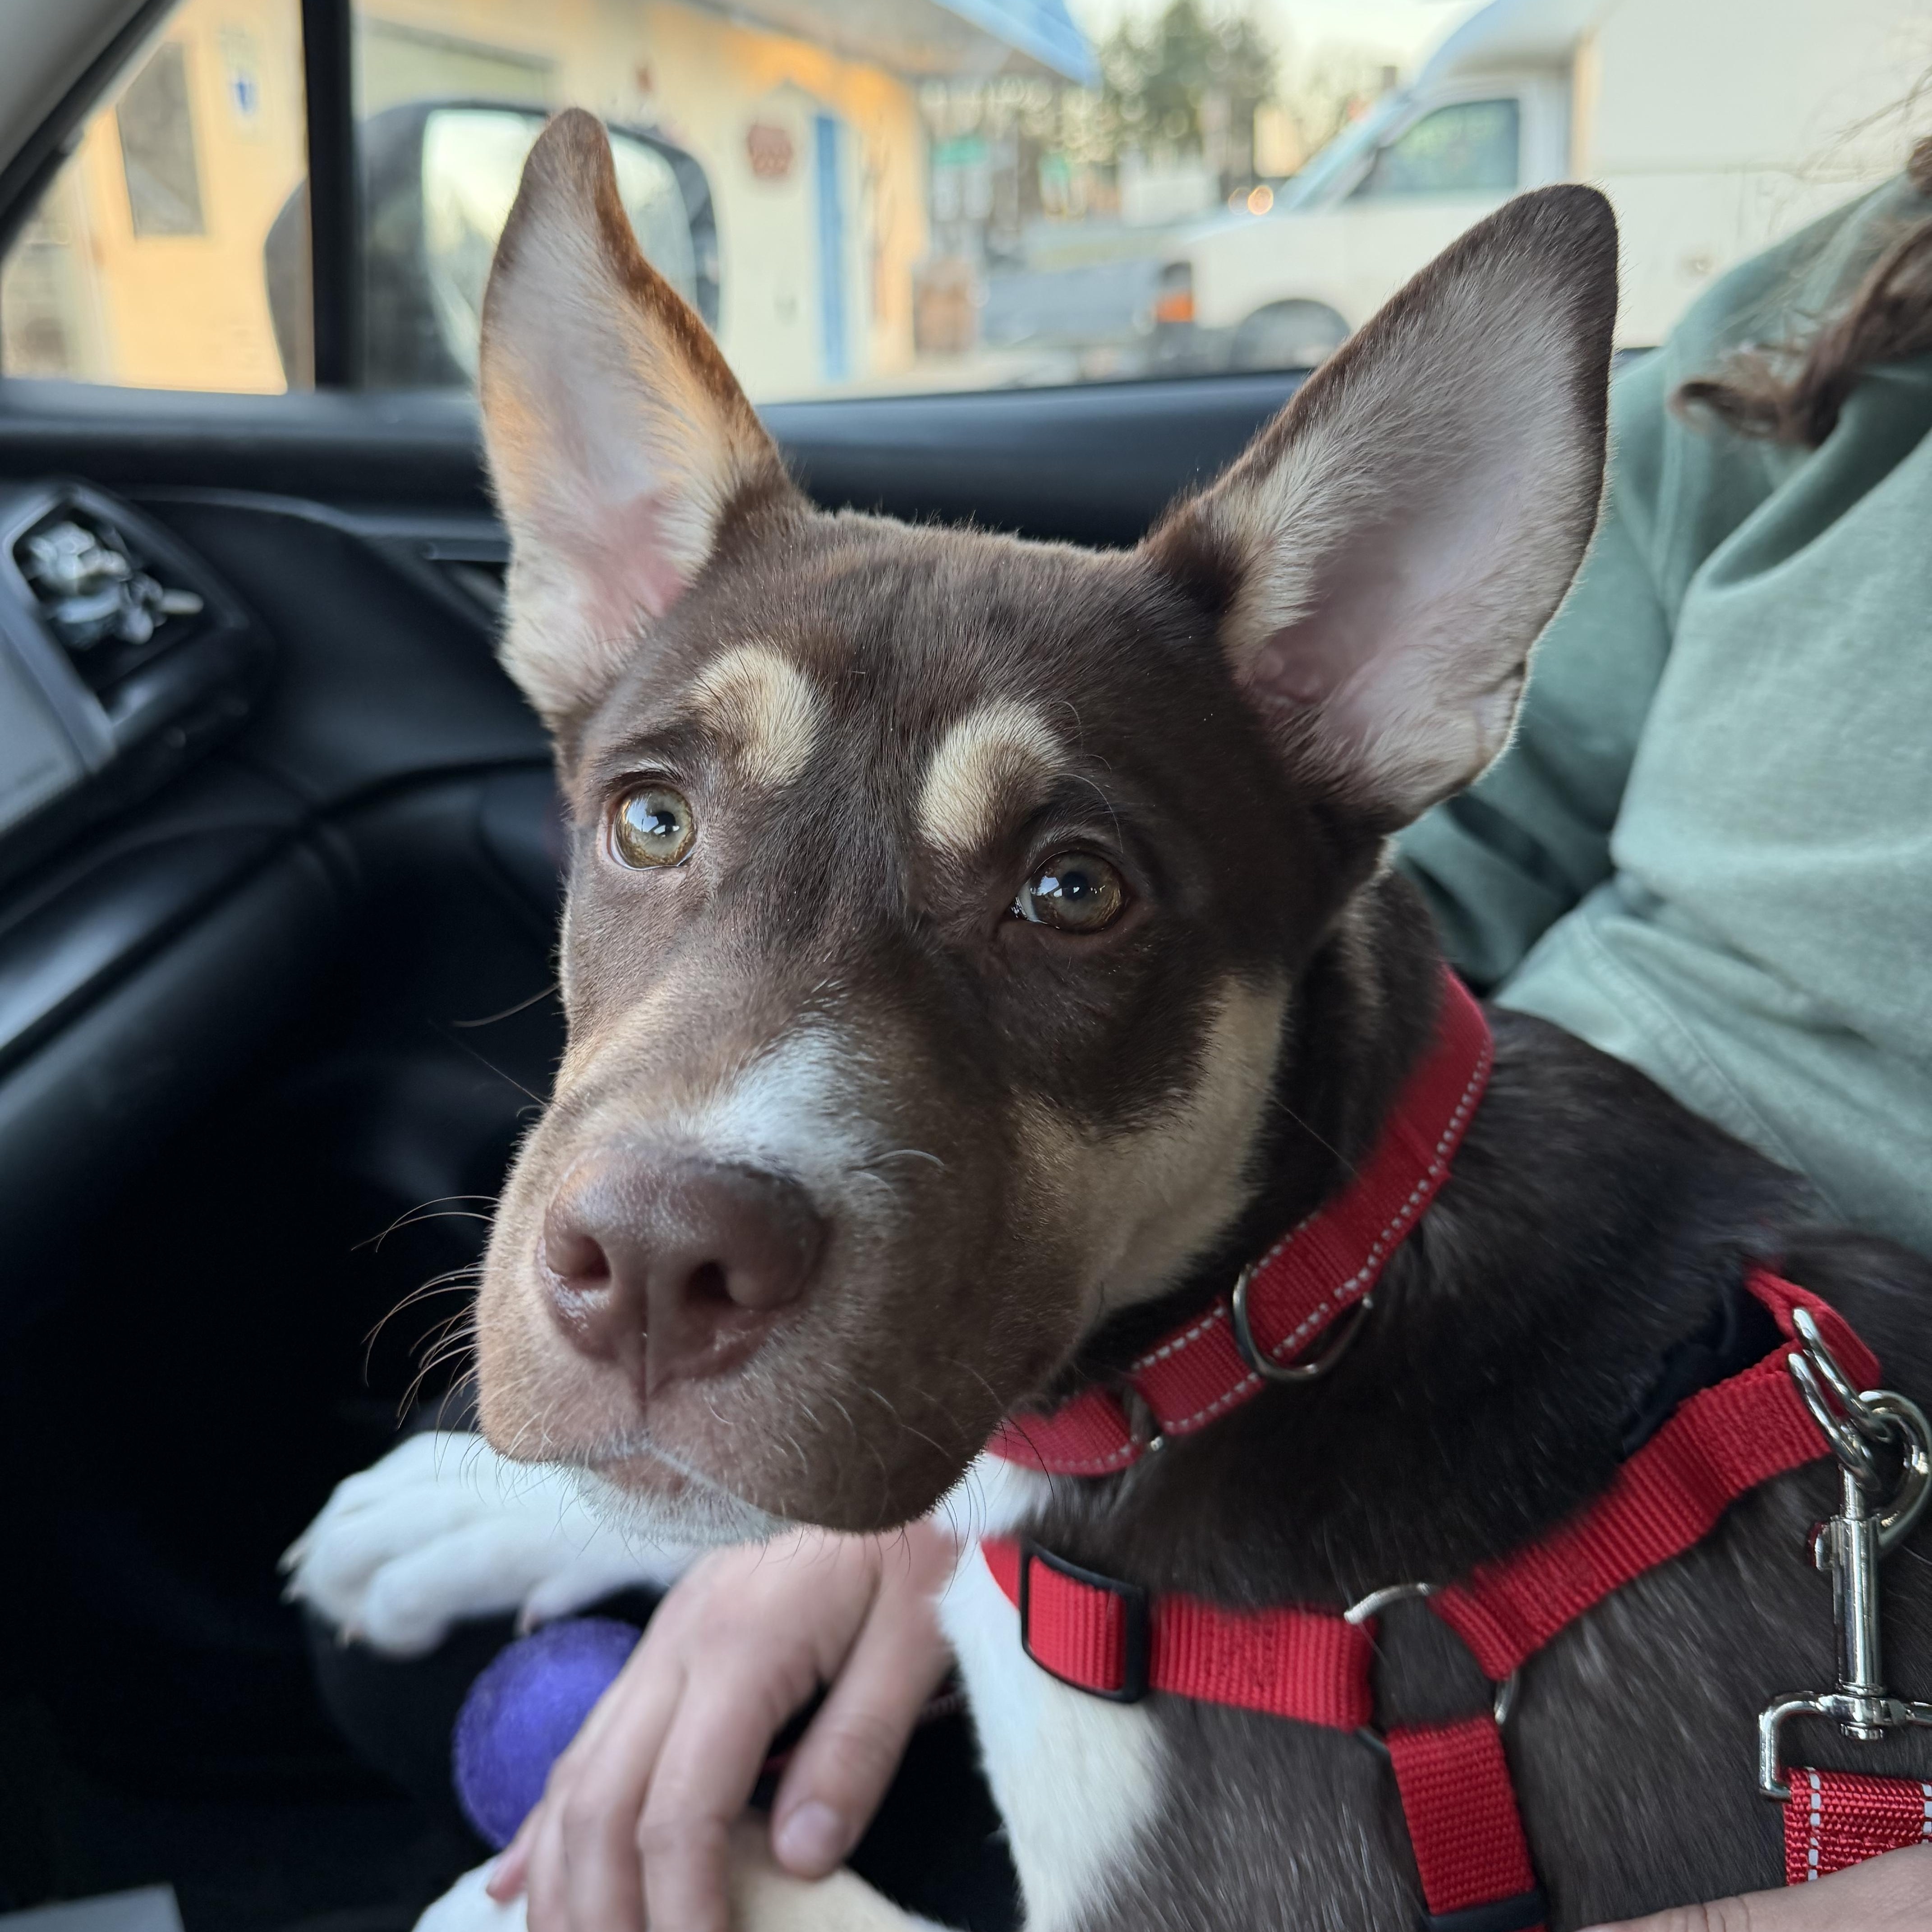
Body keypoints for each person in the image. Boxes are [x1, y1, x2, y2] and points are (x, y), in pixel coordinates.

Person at [483, 146, 1932, 1932]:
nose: (706, 1135)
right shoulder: (1844, 322)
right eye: (655, 826)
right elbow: (1437, 885)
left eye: (1070, 888)